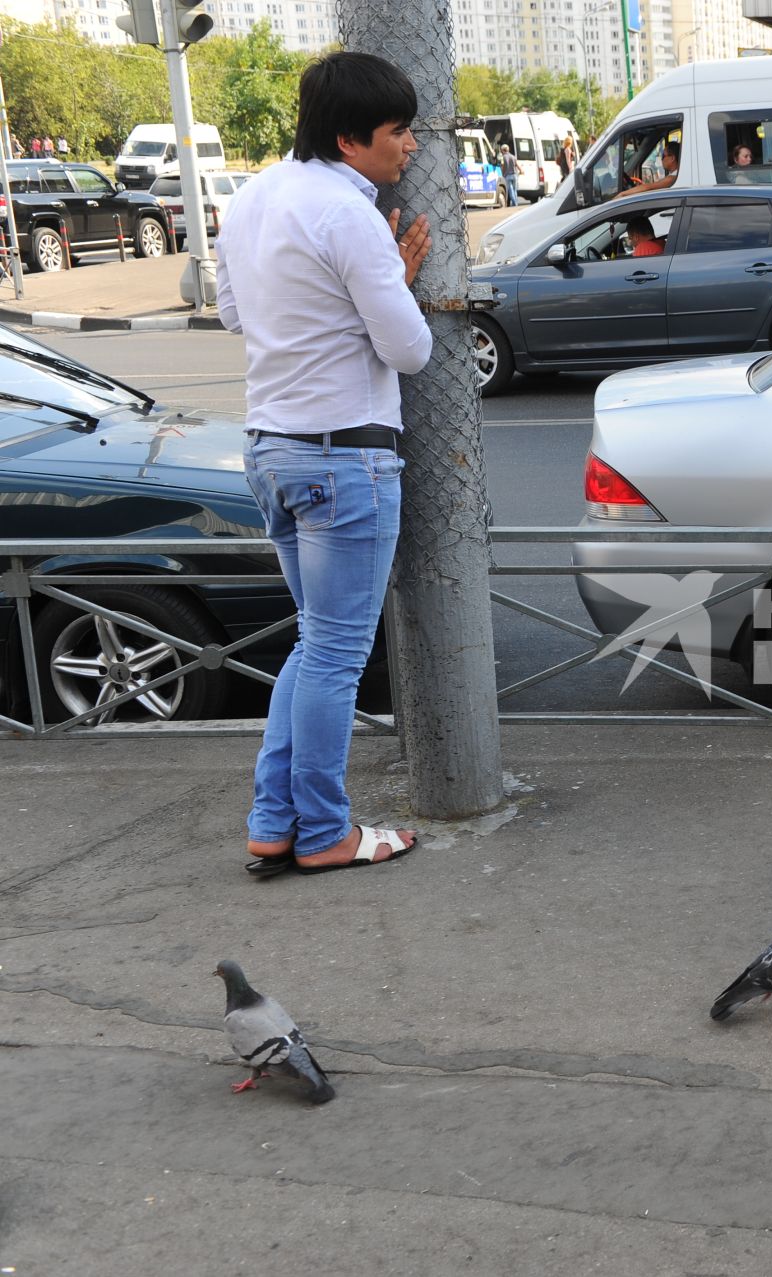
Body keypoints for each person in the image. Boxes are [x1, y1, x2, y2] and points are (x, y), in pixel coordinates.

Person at [214, 51, 432, 875]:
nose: (409, 146)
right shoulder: (348, 214)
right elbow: (408, 350)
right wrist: (394, 281)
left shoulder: (252, 198)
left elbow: (236, 313)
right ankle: (325, 832)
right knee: (336, 656)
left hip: (272, 448)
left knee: (315, 646)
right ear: (350, 139)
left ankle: (275, 820)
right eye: (397, 132)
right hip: (346, 459)